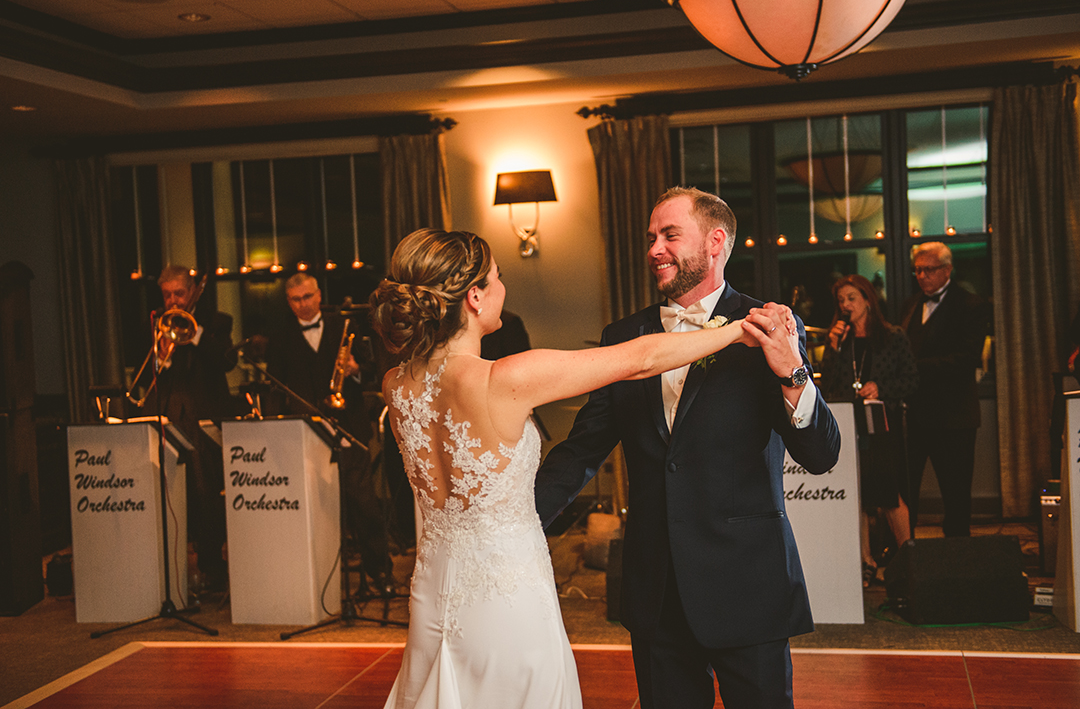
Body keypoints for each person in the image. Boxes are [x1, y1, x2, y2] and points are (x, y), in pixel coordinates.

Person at [369, 227, 766, 709]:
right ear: (474, 297)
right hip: (506, 595)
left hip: (434, 586)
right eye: (497, 278)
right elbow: (640, 361)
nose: (504, 289)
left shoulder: (396, 384)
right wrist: (737, 329)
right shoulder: (504, 378)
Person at [536, 187, 841, 709]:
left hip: (748, 581)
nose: (654, 248)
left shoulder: (769, 325)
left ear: (716, 241)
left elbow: (820, 455)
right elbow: (583, 448)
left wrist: (792, 373)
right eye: (651, 237)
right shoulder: (624, 336)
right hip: (657, 587)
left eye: (670, 235)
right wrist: (515, 517)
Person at [266, 272, 394, 595]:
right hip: (304, 429)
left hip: (347, 425)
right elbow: (274, 383)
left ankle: (380, 570)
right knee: (312, 506)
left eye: (308, 297)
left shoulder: (344, 327)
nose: (303, 304)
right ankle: (315, 578)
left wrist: (354, 370)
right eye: (295, 300)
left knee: (363, 501)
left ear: (319, 295)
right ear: (288, 302)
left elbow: (372, 370)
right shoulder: (280, 336)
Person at [134, 265, 234, 592]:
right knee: (168, 496)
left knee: (206, 496)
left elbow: (225, 361)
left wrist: (197, 335)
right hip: (169, 417)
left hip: (203, 419)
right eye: (167, 295)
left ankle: (211, 566)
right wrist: (161, 356)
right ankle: (168, 568)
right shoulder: (156, 326)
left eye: (179, 293)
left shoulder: (217, 323)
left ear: (191, 292)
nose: (173, 300)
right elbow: (148, 376)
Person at [819, 274, 918, 587]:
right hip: (848, 421)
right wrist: (831, 348)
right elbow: (830, 385)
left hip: (881, 423)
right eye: (841, 301)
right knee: (856, 493)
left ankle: (908, 558)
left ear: (867, 300)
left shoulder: (892, 336)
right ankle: (866, 560)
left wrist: (881, 388)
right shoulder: (840, 340)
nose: (845, 305)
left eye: (851, 298)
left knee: (889, 492)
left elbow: (912, 380)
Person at [900, 242, 990, 538]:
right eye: (918, 270)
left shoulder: (972, 305)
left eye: (929, 270)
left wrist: (913, 368)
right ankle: (905, 553)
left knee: (955, 493)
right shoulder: (911, 305)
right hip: (913, 415)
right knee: (905, 490)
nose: (922, 276)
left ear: (947, 270)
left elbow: (964, 361)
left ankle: (958, 557)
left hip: (954, 417)